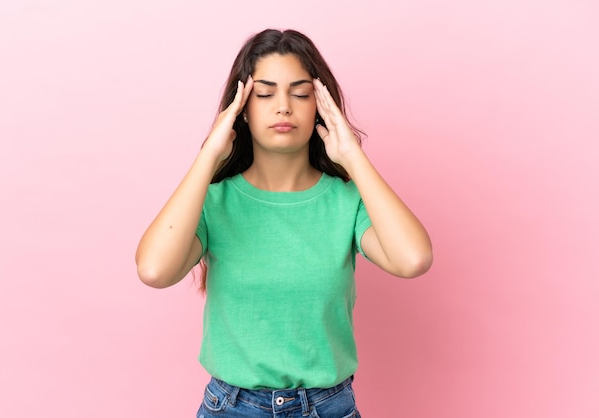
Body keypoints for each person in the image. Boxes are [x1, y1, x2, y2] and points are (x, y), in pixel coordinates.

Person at [136, 28, 432, 418]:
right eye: (265, 93)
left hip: (329, 408)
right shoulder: (211, 201)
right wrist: (209, 155)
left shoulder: (348, 202)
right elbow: (155, 270)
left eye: (300, 93)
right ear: (241, 108)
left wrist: (352, 157)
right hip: (232, 408)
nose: (283, 107)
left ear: (320, 106)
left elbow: (413, 260)